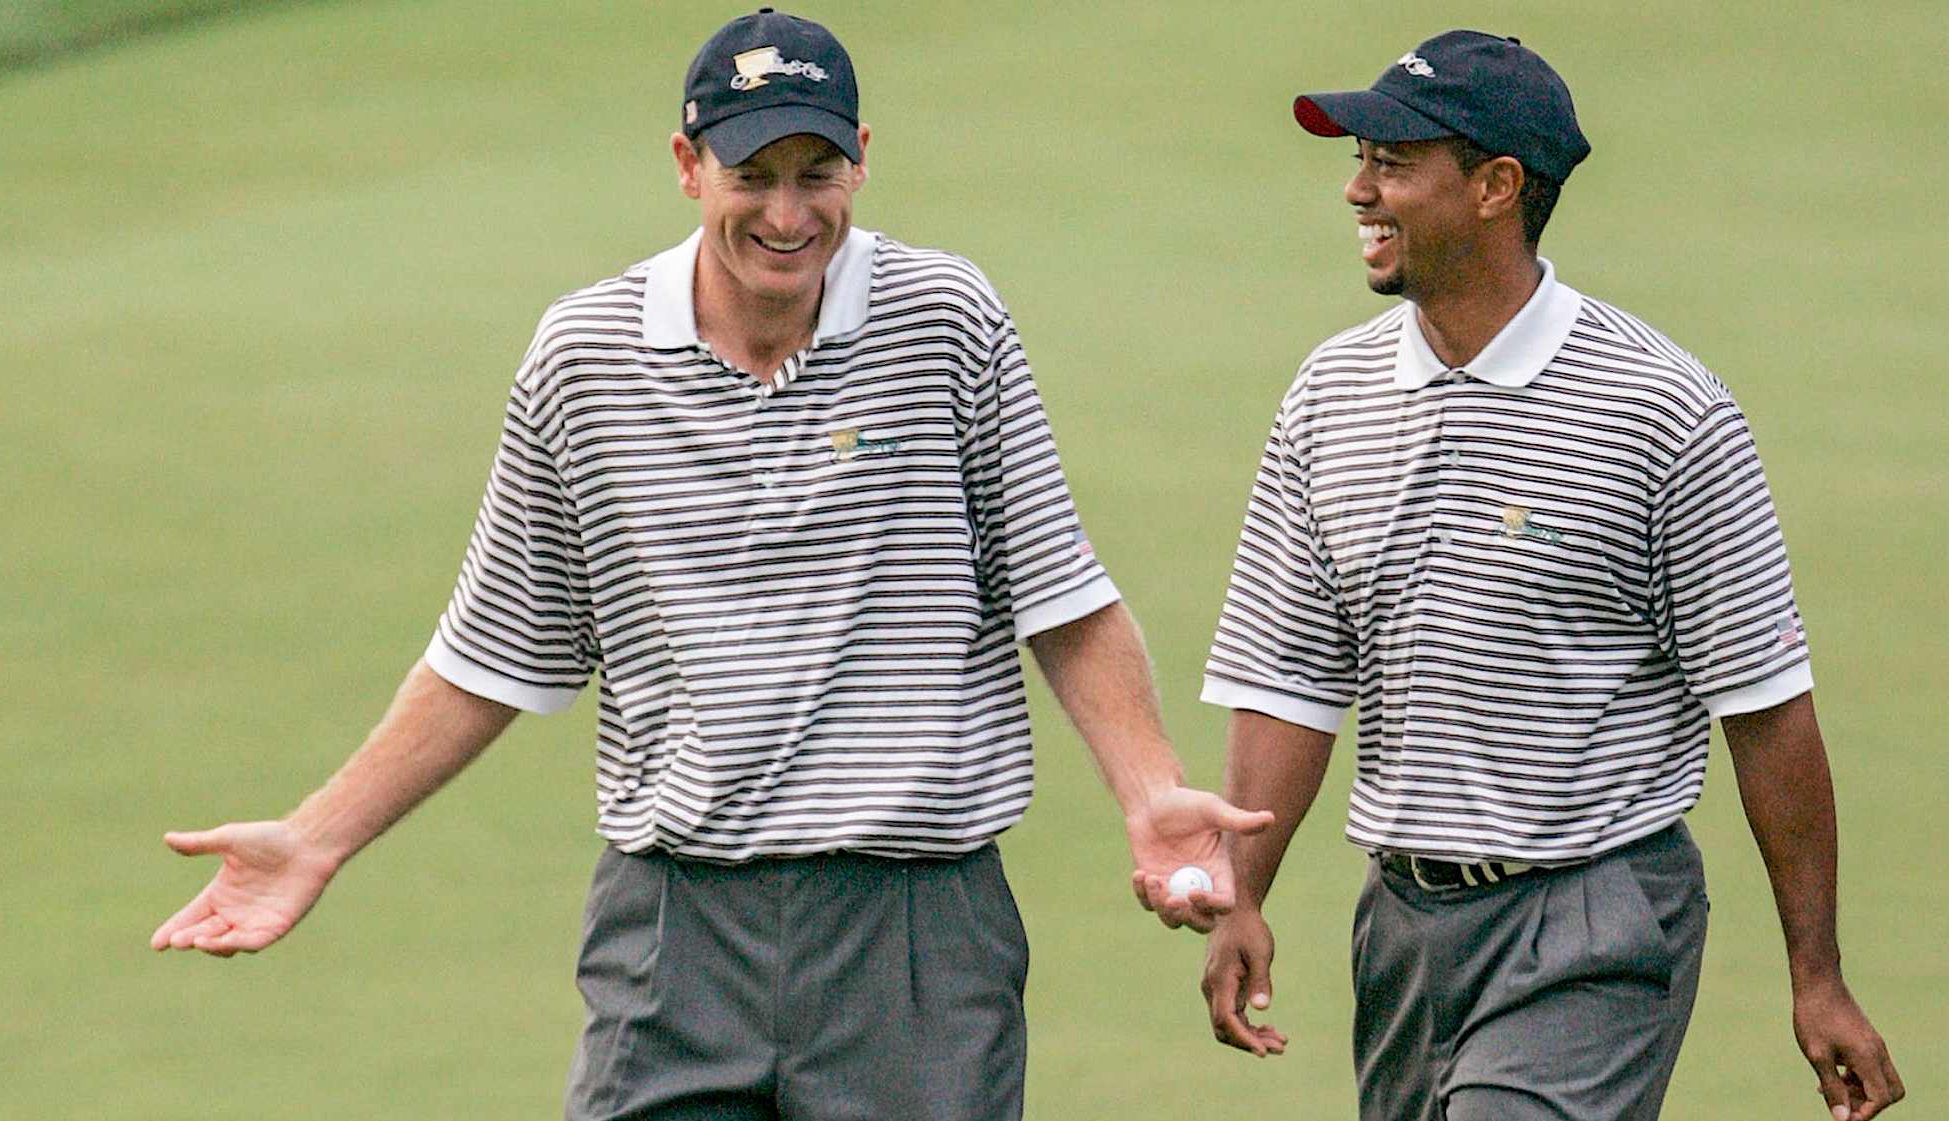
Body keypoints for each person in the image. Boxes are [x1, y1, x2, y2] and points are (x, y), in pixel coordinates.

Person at [151, 9, 1268, 1119]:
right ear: (689, 168)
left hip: (916, 936)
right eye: (753, 176)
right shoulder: (582, 356)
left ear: (862, 162)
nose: (788, 214)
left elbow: (1060, 596)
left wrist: (1150, 789)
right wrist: (315, 837)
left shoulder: (946, 321)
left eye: (816, 173)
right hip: (673, 932)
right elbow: (493, 651)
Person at [1191, 29, 1905, 1121]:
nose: (1356, 189)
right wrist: (1241, 893)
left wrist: (1816, 972)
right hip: (1402, 925)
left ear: (1496, 186)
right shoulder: (1327, 397)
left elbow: (1765, 710)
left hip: (1594, 917)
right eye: (1360, 159)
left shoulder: (1664, 412)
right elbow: (1290, 674)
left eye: (1391, 162)